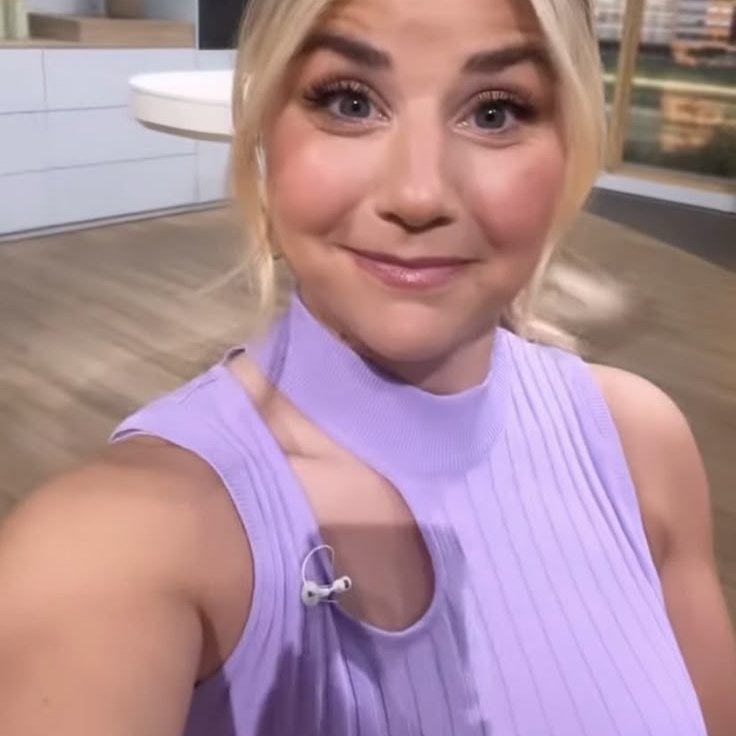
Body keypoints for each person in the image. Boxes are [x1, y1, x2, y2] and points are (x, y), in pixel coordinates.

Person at [1, 0, 734, 733]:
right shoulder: (118, 540)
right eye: (349, 102)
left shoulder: (638, 446)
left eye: (495, 113)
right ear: (263, 130)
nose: (419, 195)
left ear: (570, 147)